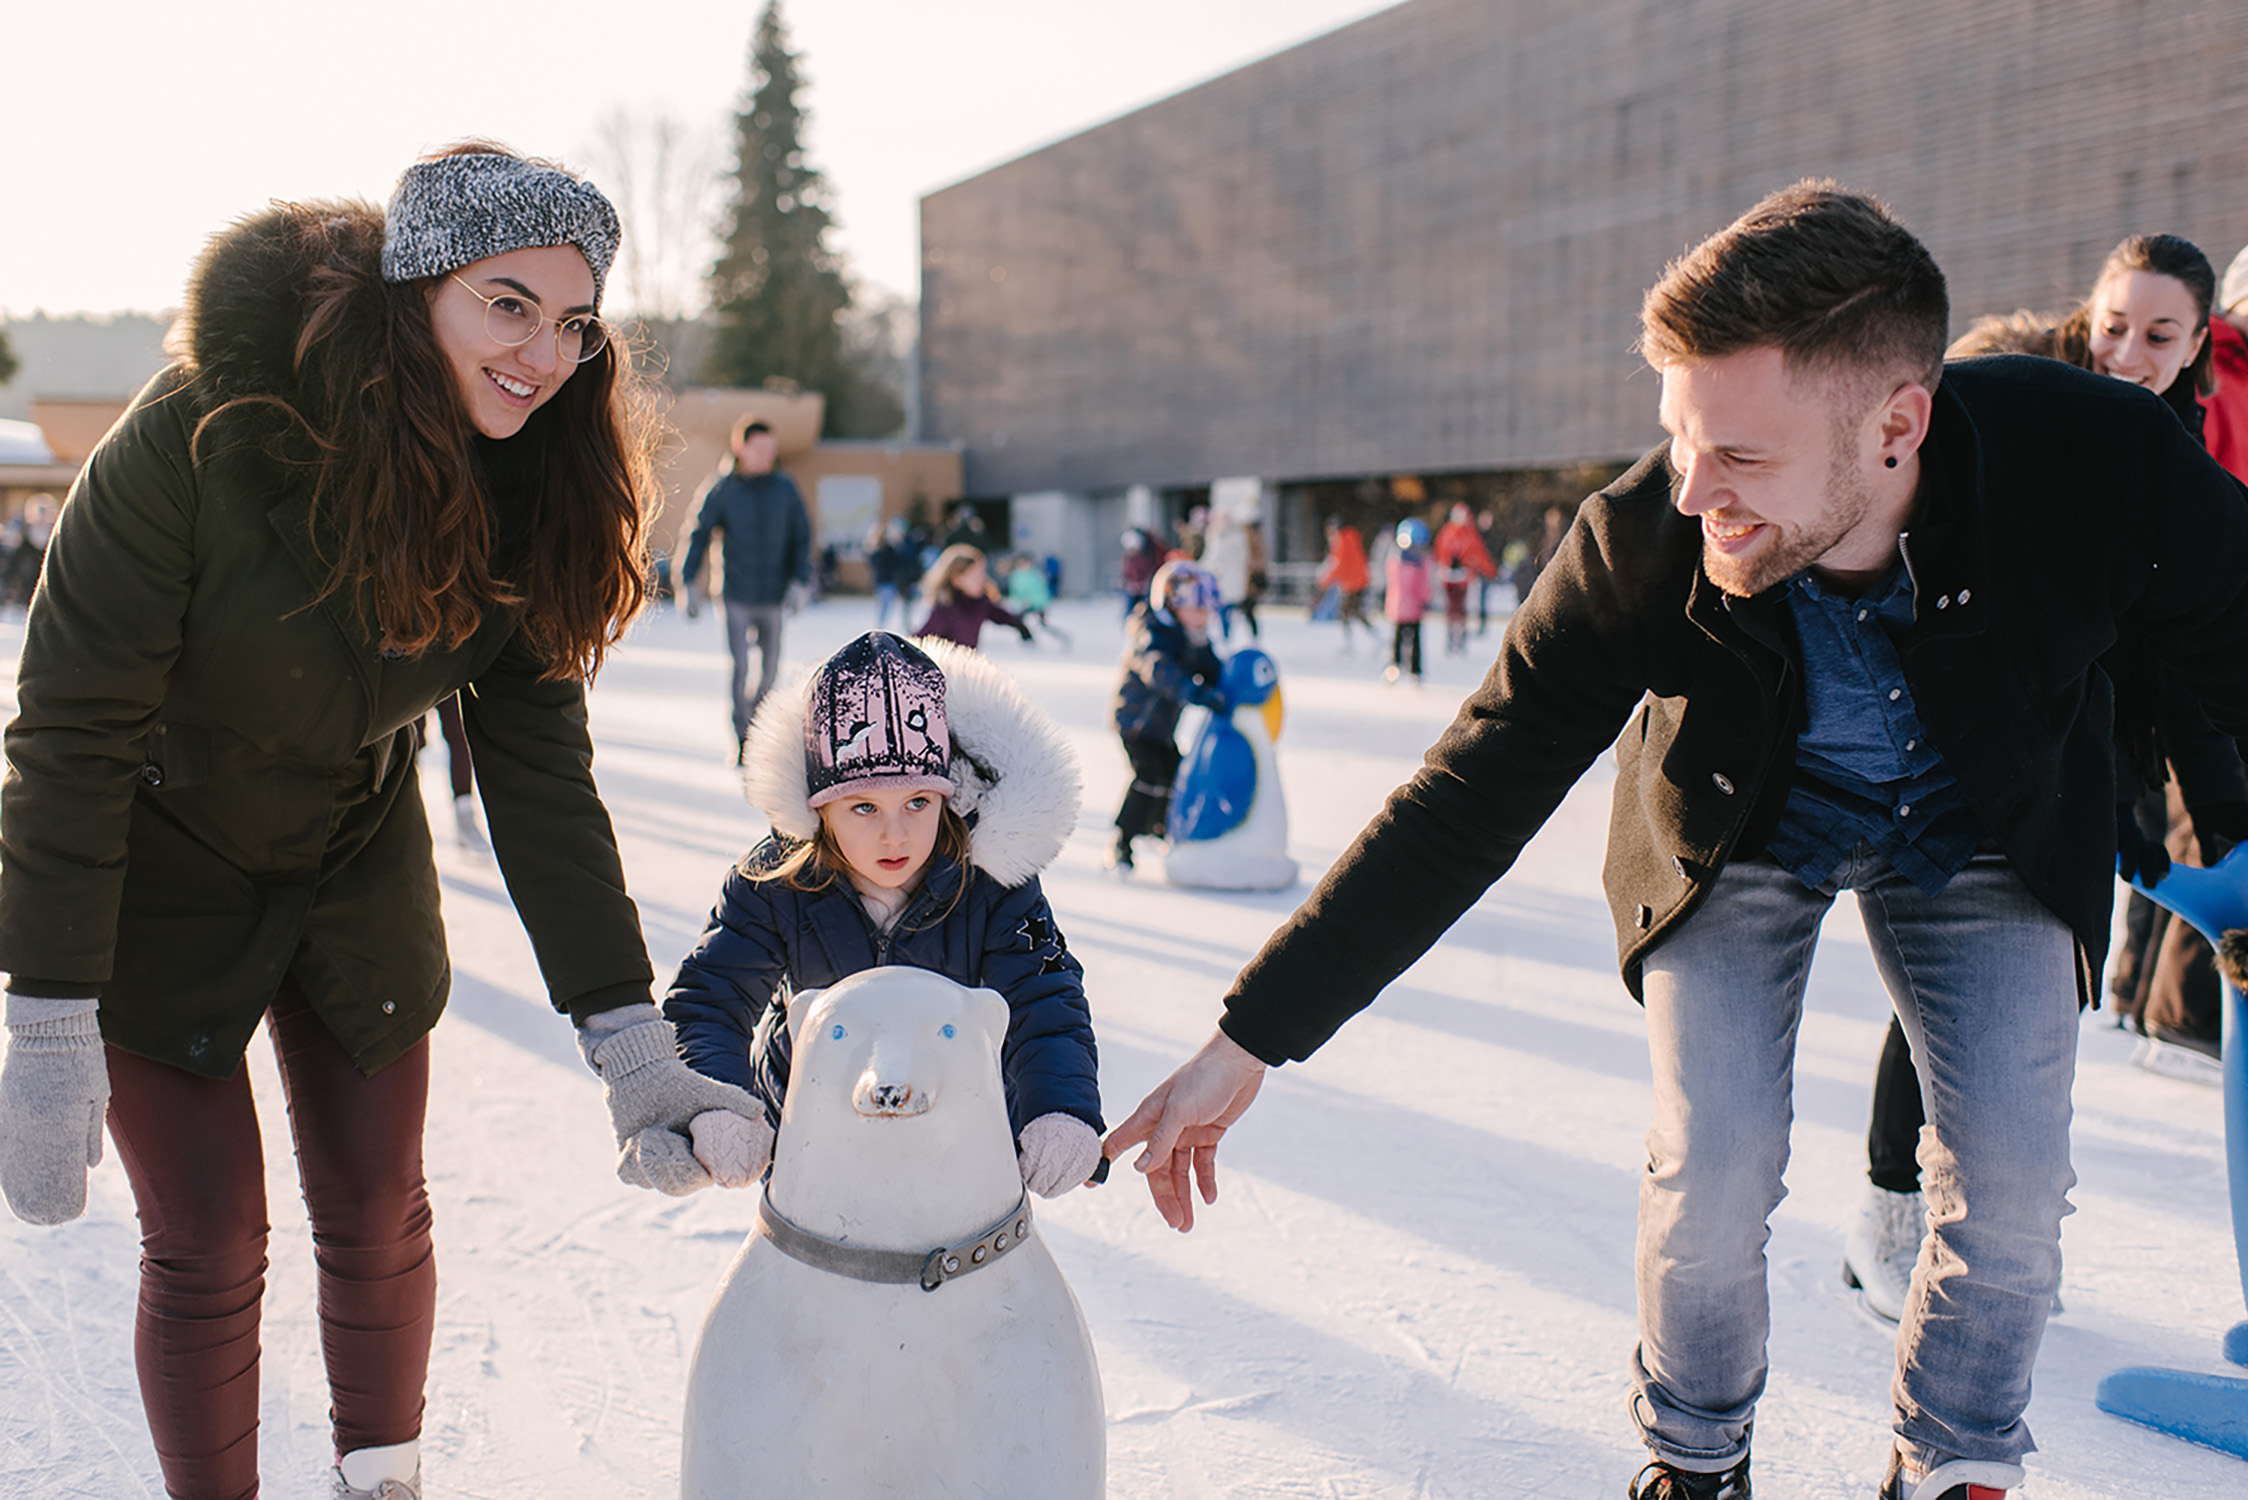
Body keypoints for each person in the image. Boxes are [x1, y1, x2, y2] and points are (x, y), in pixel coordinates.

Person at [1103, 182, 2248, 1500]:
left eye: (1741, 456)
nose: (1696, 490)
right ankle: (1695, 1463)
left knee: (2015, 1186)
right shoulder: (1652, 536)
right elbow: (1471, 789)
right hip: (1739, 826)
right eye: (1680, 438)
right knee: (1711, 1172)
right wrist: (1252, 1034)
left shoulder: (2094, 459)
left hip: (1988, 822)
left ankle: (1955, 1469)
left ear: (1897, 424)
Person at [0, 144, 764, 1500]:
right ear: (419, 289)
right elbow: (72, 730)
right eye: (508, 304)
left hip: (353, 856)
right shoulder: (200, 435)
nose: (545, 353)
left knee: (374, 1206)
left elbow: (539, 777)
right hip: (158, 862)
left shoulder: (530, 483)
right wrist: (49, 1014)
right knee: (210, 1238)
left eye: (575, 321)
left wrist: (628, 1038)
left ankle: (383, 1484)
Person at [1842, 234, 2248, 1315]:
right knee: (1946, 973)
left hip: (2087, 740)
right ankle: (1887, 1207)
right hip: (1973, 729)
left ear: (2198, 343)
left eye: (2158, 334)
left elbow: (2180, 650)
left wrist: (2218, 806)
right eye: (2113, 325)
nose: (2128, 351)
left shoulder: (2178, 450)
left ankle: (1989, 1234)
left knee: (2034, 996)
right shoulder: (2029, 402)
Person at [663, 631, 1104, 1196]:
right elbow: (709, 1000)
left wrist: (1060, 1110)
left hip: (963, 1138)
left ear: (948, 796)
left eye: (917, 802)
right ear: (820, 809)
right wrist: (720, 1103)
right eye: (864, 807)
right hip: (811, 1141)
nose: (895, 834)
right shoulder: (776, 882)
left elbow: (1044, 1002)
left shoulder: (992, 883)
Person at [678, 416, 812, 763]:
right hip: (735, 594)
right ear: (741, 448)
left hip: (773, 595)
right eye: (760, 448)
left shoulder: (785, 488)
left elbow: (801, 537)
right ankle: (742, 737)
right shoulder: (723, 488)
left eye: (771, 448)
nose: (767, 455)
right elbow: (698, 534)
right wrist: (688, 581)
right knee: (740, 668)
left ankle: (757, 729)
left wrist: (800, 580)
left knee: (770, 671)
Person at [1109, 560, 1227, 873]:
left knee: (1177, 773)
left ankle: (1162, 829)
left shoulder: (1193, 637)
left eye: (1207, 610)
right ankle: (1122, 842)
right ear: (1171, 604)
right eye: (1196, 609)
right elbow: (1160, 671)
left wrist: (1226, 685)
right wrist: (1195, 692)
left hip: (1161, 727)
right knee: (1149, 775)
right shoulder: (1151, 634)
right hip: (1136, 723)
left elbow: (1212, 668)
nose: (1204, 617)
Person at [915, 543, 1033, 650]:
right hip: (945, 663)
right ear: (957, 579)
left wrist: (1018, 624)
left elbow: (1000, 616)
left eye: (982, 573)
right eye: (975, 576)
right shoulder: (946, 607)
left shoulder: (980, 603)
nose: (981, 580)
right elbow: (922, 639)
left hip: (967, 663)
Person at [1433, 502, 1498, 654]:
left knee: (1459, 609)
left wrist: (1489, 570)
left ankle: (1458, 637)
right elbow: (1441, 553)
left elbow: (1478, 554)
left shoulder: (1467, 533)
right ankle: (1453, 636)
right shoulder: (1449, 533)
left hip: (1462, 578)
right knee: (1453, 609)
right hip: (1451, 578)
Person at [1316, 515, 1377, 653]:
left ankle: (1355, 642)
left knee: (1348, 612)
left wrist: (1325, 582)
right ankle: (1368, 638)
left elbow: (1339, 565)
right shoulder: (1347, 539)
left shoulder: (1342, 541)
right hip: (1355, 582)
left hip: (1355, 583)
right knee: (1352, 612)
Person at [1383, 517, 1432, 684]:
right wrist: (1424, 599)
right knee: (1402, 638)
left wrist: (1424, 599)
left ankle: (1410, 669)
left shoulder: (1396, 559)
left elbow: (1422, 584)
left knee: (1408, 639)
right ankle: (1400, 667)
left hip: (1405, 607)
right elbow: (1421, 585)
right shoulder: (1404, 560)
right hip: (1405, 607)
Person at [1003, 552, 1072, 648]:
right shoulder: (1015, 576)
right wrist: (1016, 603)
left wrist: (1036, 603)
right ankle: (1028, 641)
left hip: (1037, 604)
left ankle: (1061, 637)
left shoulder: (1035, 575)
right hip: (1024, 605)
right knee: (1018, 622)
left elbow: (1041, 592)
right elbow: (1015, 592)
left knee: (1043, 625)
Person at [868, 515, 918, 630]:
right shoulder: (886, 549)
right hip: (888, 581)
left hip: (884, 581)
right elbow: (895, 563)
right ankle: (882, 626)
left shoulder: (876, 549)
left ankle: (882, 625)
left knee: (886, 605)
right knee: (887, 605)